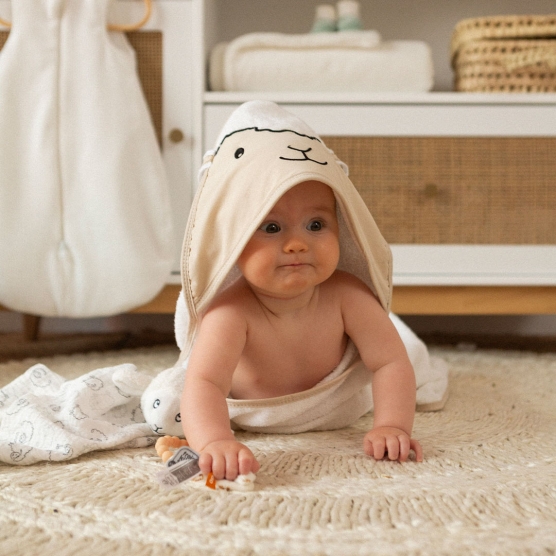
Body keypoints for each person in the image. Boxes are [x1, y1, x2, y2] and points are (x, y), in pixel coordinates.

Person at [181, 178, 422, 481]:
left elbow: (391, 361)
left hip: (333, 406)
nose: (297, 244)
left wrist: (392, 425)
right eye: (271, 228)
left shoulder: (348, 294)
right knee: (166, 406)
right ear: (233, 242)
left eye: (316, 225)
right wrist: (214, 441)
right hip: (252, 412)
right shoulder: (228, 312)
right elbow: (205, 383)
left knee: (410, 352)